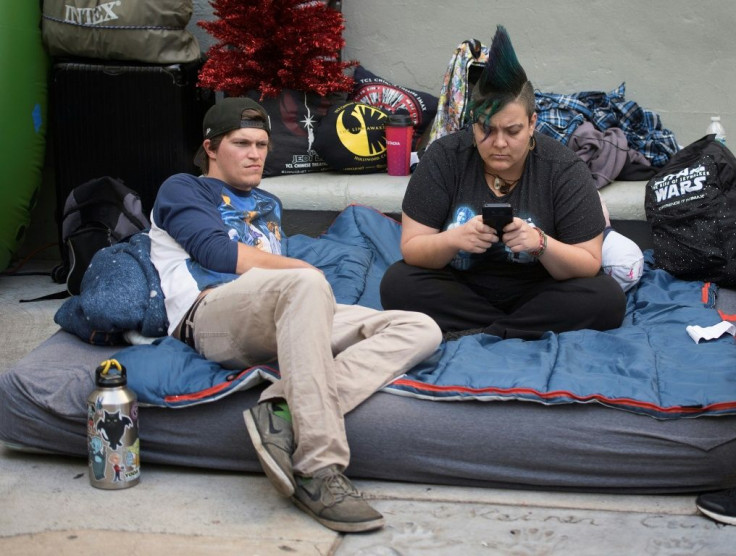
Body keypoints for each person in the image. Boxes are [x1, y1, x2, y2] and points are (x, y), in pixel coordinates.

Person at [148, 97, 442, 533]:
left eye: (262, 144)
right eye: (241, 143)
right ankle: (318, 467)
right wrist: (304, 271)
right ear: (210, 147)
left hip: (273, 310)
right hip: (208, 315)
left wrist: (304, 282)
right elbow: (215, 252)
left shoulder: (268, 202)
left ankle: (282, 409)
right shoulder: (183, 189)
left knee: (420, 327)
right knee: (306, 282)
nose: (255, 154)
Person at [380, 26, 627, 340]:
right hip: (462, 289)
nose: (498, 143)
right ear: (472, 124)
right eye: (486, 129)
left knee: (607, 297)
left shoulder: (563, 167)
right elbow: (413, 249)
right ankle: (513, 329)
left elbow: (589, 263)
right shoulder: (444, 157)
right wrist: (454, 240)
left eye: (512, 131)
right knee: (397, 283)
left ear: (532, 124)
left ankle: (485, 330)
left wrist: (540, 244)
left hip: (540, 292)